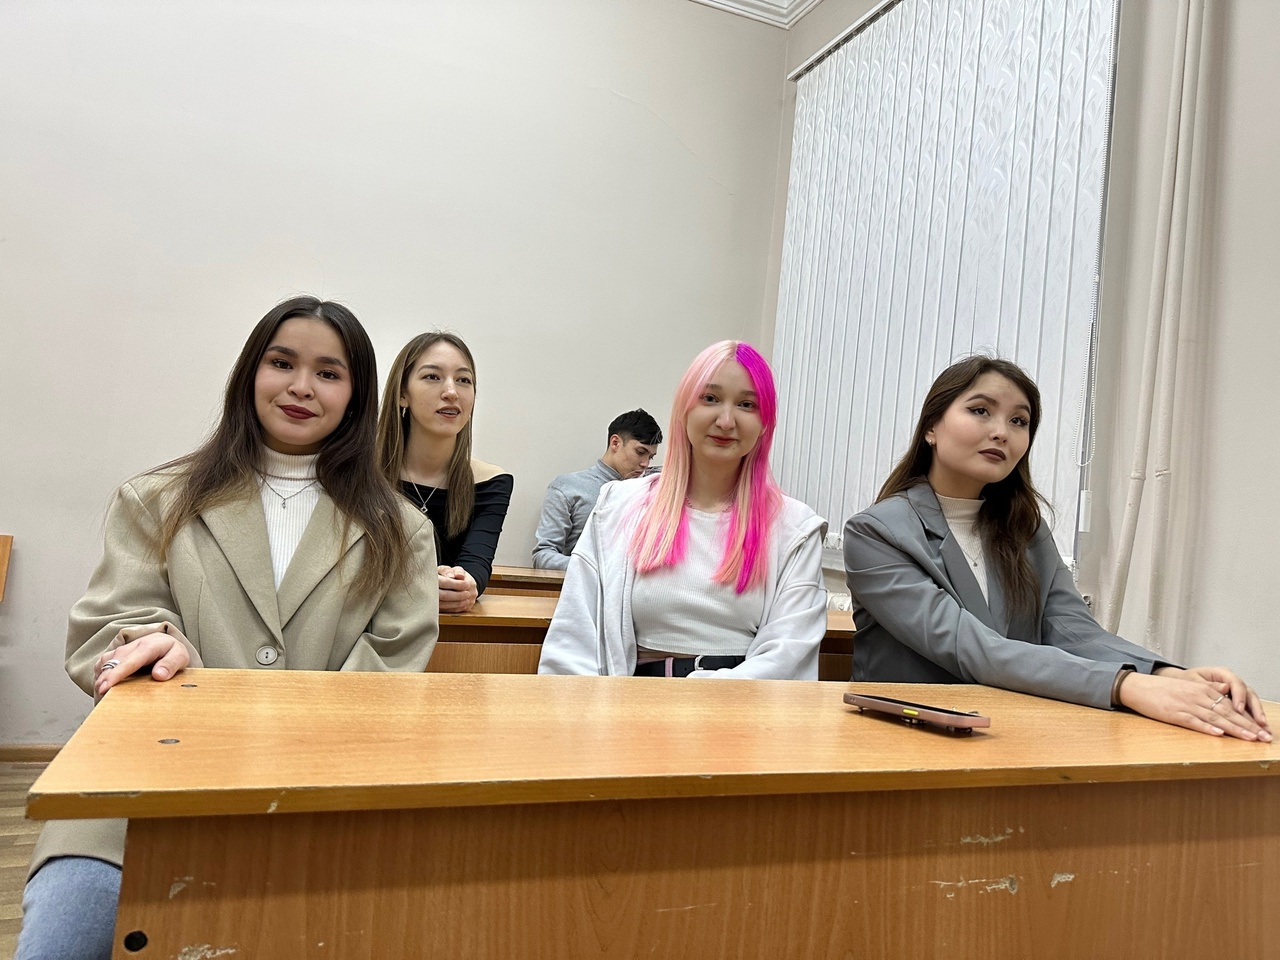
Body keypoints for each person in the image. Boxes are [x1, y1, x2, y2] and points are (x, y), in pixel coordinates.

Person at [17, 297, 440, 960]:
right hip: (139, 797)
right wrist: (153, 648)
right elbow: (111, 624)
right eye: (282, 363)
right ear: (250, 373)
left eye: (329, 373)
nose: (301, 386)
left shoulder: (401, 531)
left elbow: (390, 675)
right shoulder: (156, 498)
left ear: (357, 396)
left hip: (318, 807)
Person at [843, 355, 1271, 741]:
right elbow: (973, 648)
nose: (1001, 432)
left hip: (1011, 734)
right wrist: (1124, 685)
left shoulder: (1024, 530)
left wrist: (1168, 674)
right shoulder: (876, 533)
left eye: (1019, 421)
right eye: (980, 411)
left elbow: (1073, 632)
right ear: (931, 428)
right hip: (906, 741)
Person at [538, 341, 827, 679]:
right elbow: (573, 638)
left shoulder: (795, 527)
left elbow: (788, 654)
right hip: (628, 702)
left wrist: (699, 699)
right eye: (710, 398)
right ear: (684, 410)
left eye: (746, 404)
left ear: (765, 423)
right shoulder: (617, 505)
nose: (726, 420)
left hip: (743, 705)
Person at [377, 332, 513, 613]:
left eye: (463, 380)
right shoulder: (362, 471)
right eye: (432, 377)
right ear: (402, 394)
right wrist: (422, 585)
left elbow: (476, 564)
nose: (451, 392)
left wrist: (465, 585)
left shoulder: (491, 481)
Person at [531, 409, 663, 570]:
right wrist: (596, 570)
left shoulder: (649, 491)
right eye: (640, 452)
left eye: (650, 457)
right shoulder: (567, 487)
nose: (645, 463)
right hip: (585, 583)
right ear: (615, 443)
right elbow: (543, 556)